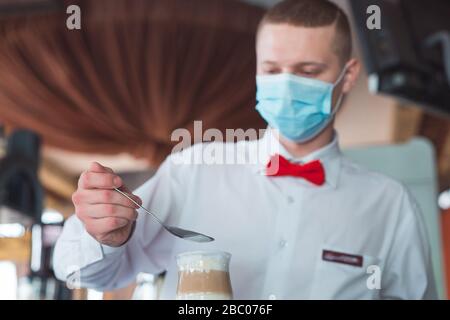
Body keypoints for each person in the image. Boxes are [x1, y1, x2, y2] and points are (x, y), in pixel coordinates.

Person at [54, 0, 437, 299]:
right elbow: (85, 273)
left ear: (348, 75)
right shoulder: (194, 169)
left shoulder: (390, 205)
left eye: (307, 71)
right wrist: (104, 235)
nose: (286, 85)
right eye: (272, 70)